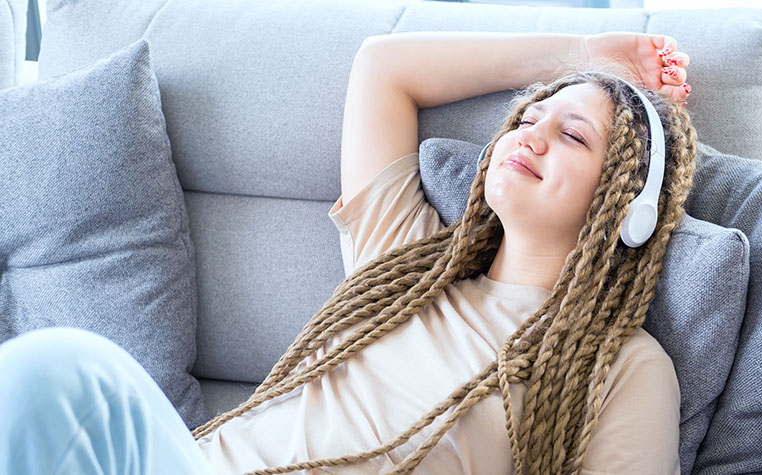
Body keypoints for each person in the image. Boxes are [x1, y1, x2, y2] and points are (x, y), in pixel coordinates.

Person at [0, 31, 695, 475]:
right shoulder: (408, 264)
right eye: (527, 117)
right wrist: (580, 54)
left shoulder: (624, 369)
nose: (531, 135)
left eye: (572, 136)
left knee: (59, 369)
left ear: (626, 206)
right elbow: (382, 66)